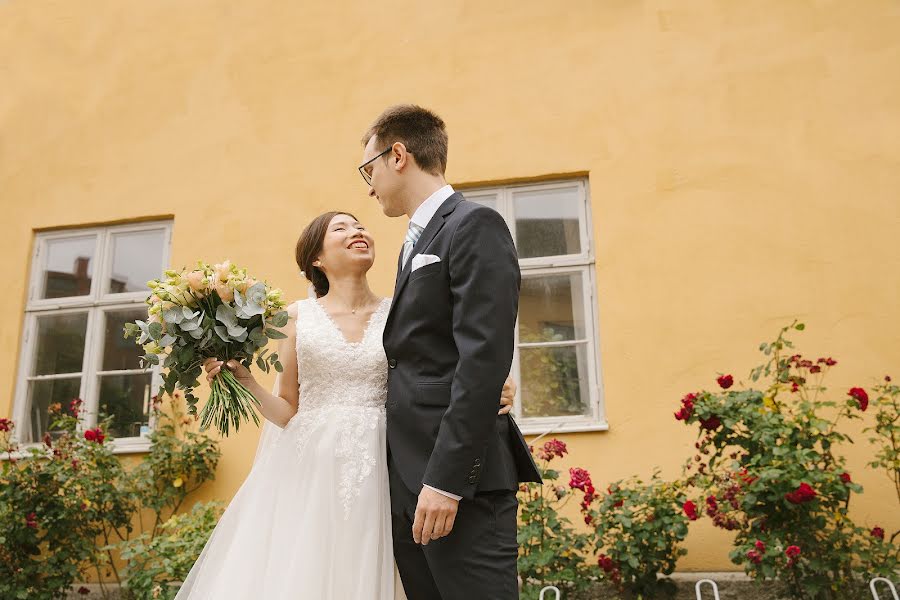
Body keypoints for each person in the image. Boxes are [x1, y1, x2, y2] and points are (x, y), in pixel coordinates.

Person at [173, 211, 516, 599]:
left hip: (388, 462)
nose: (357, 232)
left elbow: (436, 374)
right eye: (341, 228)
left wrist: (491, 387)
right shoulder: (296, 318)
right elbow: (287, 408)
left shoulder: (399, 314)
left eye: (360, 226)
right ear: (316, 258)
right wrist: (247, 381)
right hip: (313, 468)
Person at [360, 104, 541, 600]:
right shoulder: (412, 241)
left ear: (398, 154)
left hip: (457, 484)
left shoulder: (473, 224)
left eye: (368, 168)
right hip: (408, 483)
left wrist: (445, 482)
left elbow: (483, 359)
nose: (368, 186)